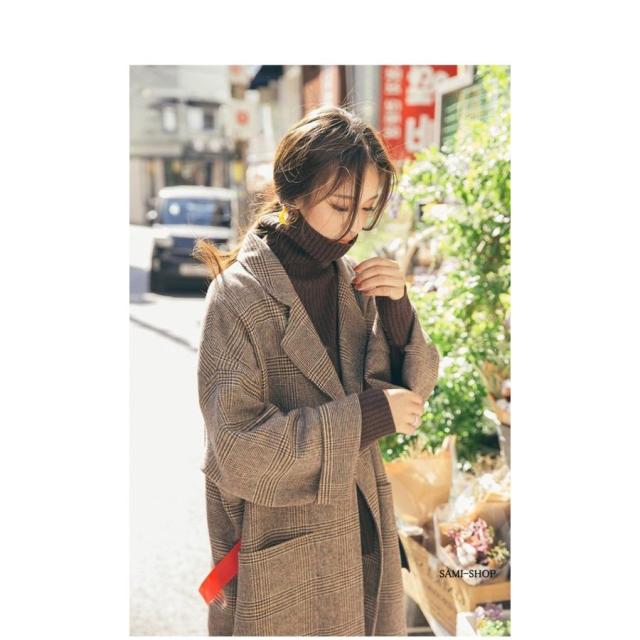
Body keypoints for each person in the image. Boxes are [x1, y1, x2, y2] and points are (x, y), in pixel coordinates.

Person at [194, 105, 440, 636]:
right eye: (340, 205)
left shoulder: (353, 283)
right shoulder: (237, 297)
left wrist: (397, 311)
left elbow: (409, 399)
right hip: (283, 552)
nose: (353, 228)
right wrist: (366, 416)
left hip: (363, 532)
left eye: (368, 208)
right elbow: (239, 450)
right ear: (293, 194)